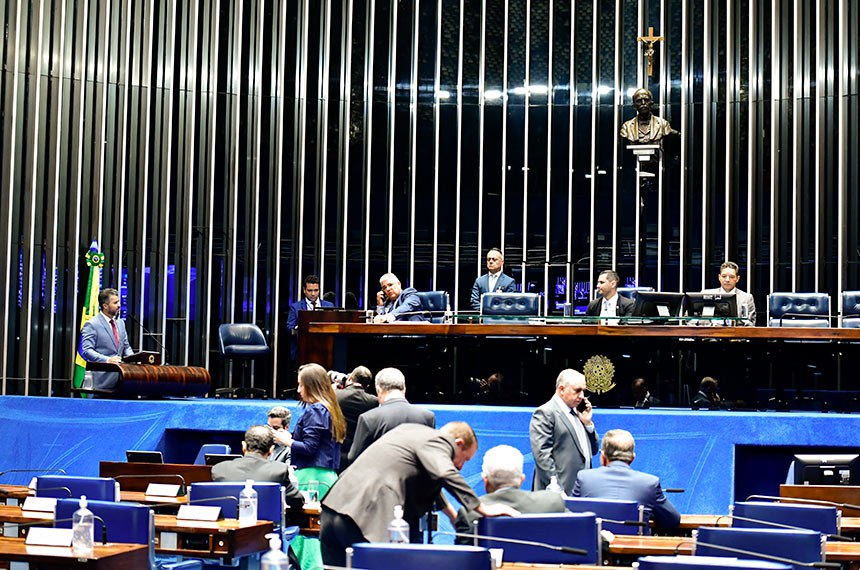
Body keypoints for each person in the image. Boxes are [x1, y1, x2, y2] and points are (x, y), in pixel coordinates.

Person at [320, 422, 519, 567]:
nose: (460, 466)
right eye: (464, 459)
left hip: (333, 510)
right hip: (365, 519)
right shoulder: (439, 441)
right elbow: (444, 472)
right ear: (457, 443)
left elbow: (433, 475)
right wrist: (481, 507)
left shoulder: (410, 432)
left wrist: (452, 515)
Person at [276, 363, 346, 569]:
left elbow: (309, 448)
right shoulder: (329, 408)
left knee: (306, 536)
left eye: (300, 385)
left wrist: (285, 440)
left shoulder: (315, 410)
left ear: (312, 386)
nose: (298, 390)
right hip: (326, 477)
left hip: (312, 479)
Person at [454, 444, 566, 543]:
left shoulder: (469, 513)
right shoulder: (552, 502)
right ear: (522, 479)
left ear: (485, 480)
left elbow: (463, 560)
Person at [572, 429, 681, 530]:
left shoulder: (584, 478)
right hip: (635, 549)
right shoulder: (649, 483)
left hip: (595, 548)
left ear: (603, 456)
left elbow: (571, 516)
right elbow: (672, 521)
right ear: (632, 458)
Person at [530, 369, 598, 494]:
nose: (582, 396)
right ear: (562, 389)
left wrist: (588, 424)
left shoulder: (579, 412)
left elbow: (594, 450)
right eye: (577, 390)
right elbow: (542, 456)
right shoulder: (545, 412)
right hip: (557, 494)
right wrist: (556, 489)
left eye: (584, 391)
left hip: (580, 491)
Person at [348, 367, 435, 462]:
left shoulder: (369, 418)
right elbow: (431, 455)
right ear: (404, 388)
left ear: (379, 390)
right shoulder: (428, 417)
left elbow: (353, 457)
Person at [210, 425, 305, 509]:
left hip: (229, 527)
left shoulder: (219, 469)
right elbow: (297, 501)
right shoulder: (279, 470)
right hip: (267, 529)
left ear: (243, 446)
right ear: (271, 450)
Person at [79, 288, 135, 390]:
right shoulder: (92, 324)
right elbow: (87, 351)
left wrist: (134, 360)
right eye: (115, 303)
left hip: (123, 379)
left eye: (119, 302)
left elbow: (126, 347)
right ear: (105, 306)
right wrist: (107, 360)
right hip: (102, 381)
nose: (119, 305)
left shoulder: (120, 323)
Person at [335, 365, 378, 472]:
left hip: (337, 450)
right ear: (367, 386)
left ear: (350, 378)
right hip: (360, 452)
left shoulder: (335, 395)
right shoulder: (374, 401)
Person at [287, 275, 335, 361]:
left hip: (325, 347)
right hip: (303, 348)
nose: (313, 293)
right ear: (304, 290)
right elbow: (289, 328)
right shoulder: (295, 307)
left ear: (319, 290)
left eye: (316, 290)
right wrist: (299, 327)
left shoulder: (329, 305)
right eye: (310, 290)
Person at [702, 261, 756, 326]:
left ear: (737, 278)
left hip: (736, 334)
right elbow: (692, 321)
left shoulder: (747, 298)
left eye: (732, 277)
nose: (727, 280)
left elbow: (751, 324)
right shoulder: (706, 294)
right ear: (719, 277)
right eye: (724, 276)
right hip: (710, 334)